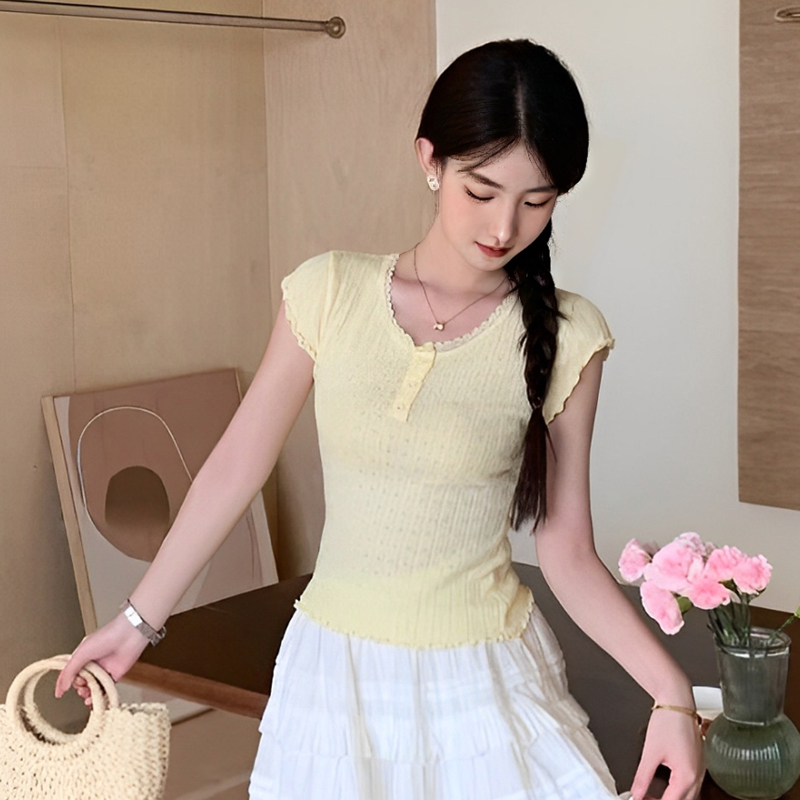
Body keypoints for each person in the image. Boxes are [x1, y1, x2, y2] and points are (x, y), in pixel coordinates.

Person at [56, 39, 704, 800]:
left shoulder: (568, 335)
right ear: (430, 160)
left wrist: (673, 694)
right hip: (336, 679)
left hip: (484, 680)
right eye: (481, 190)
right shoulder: (329, 292)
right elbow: (234, 469)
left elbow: (566, 551)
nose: (504, 226)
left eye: (537, 201)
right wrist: (136, 621)